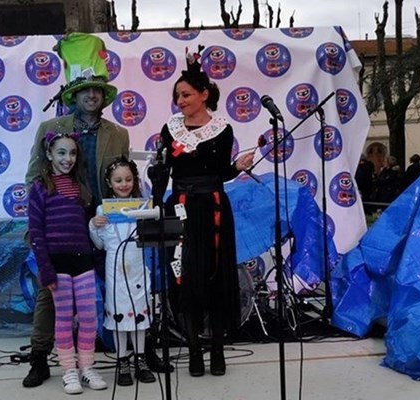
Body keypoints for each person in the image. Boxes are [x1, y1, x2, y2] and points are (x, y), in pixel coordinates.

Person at [23, 32, 130, 388]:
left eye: (97, 89)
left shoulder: (118, 134)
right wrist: (40, 219)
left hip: (100, 226)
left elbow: (120, 176)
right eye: (85, 89)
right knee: (48, 295)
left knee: (100, 296)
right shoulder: (51, 130)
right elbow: (32, 178)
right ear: (73, 94)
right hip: (57, 226)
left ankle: (115, 356)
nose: (91, 94)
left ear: (103, 95)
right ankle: (40, 357)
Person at [153, 47, 253, 377]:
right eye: (177, 96)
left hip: (212, 207)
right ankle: (194, 349)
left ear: (203, 94)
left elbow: (220, 172)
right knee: (185, 277)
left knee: (214, 276)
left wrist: (235, 167)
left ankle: (218, 350)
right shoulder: (170, 129)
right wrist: (155, 192)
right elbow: (165, 171)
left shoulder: (222, 129)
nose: (180, 101)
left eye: (185, 94)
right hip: (180, 206)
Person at [28, 132, 107, 394]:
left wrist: (95, 257)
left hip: (82, 262)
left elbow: (86, 228)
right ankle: (69, 371)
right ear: (49, 154)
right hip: (57, 265)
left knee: (87, 317)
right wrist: (46, 268)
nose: (68, 158)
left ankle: (86, 367)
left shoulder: (80, 187)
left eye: (72, 153)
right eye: (61, 153)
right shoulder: (40, 188)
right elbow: (36, 232)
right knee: (62, 319)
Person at [88, 157, 155, 386]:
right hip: (115, 269)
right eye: (118, 180)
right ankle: (122, 361)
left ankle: (141, 359)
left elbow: (150, 239)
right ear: (110, 182)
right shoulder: (102, 209)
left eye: (128, 179)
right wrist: (93, 226)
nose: (124, 184)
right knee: (118, 318)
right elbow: (98, 244)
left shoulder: (143, 206)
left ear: (134, 180)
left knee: (139, 316)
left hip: (137, 268)